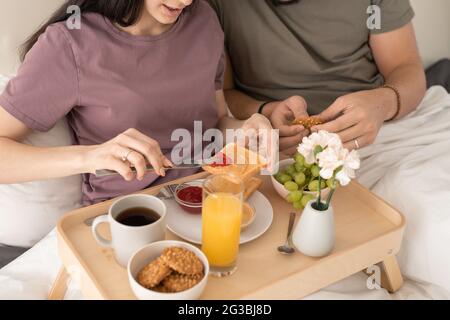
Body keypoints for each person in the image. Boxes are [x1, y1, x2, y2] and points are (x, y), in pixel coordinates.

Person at [0, 0, 272, 263]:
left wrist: (247, 128)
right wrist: (92, 156)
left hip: (212, 203)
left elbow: (218, 121)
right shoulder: (70, 42)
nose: (186, 1)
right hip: (130, 221)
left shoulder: (203, 20)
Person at [208, 0, 426, 155]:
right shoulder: (214, 6)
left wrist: (382, 104)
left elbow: (405, 68)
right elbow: (226, 93)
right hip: (276, 144)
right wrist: (265, 110)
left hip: (380, 132)